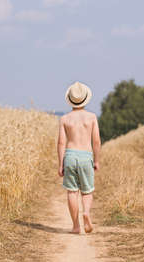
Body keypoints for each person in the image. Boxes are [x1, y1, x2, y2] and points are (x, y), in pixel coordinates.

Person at [57, 81, 101, 234]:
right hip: (86, 156)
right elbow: (96, 141)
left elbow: (61, 143)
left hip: (70, 155)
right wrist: (96, 160)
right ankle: (86, 213)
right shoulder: (91, 117)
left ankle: (76, 226)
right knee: (87, 191)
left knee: (72, 192)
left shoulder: (65, 119)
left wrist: (60, 164)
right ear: (85, 98)